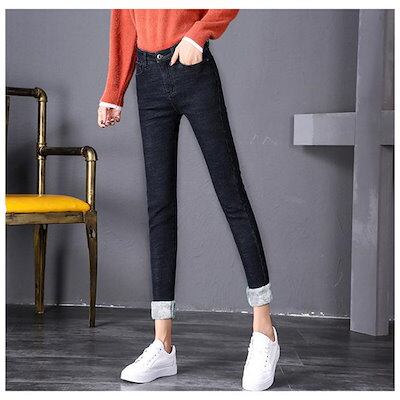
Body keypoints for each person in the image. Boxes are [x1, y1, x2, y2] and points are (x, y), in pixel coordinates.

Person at [97, 9, 280, 391]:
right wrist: (114, 90)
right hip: (147, 77)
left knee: (231, 195)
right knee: (159, 209)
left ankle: (265, 331)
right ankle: (163, 345)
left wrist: (199, 33)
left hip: (192, 69)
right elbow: (124, 18)